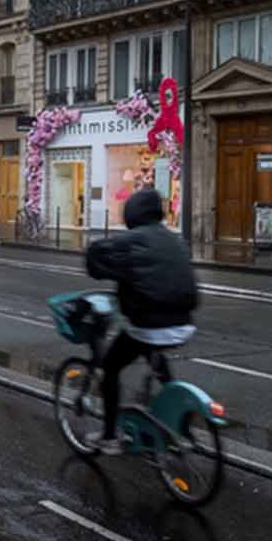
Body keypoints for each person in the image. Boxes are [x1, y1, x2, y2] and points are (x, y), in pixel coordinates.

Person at [84, 189, 198, 454]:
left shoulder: (132, 240)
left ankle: (110, 436)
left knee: (111, 367)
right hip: (183, 323)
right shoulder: (174, 239)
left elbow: (97, 254)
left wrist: (104, 269)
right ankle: (182, 428)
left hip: (149, 324)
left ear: (132, 213)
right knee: (156, 359)